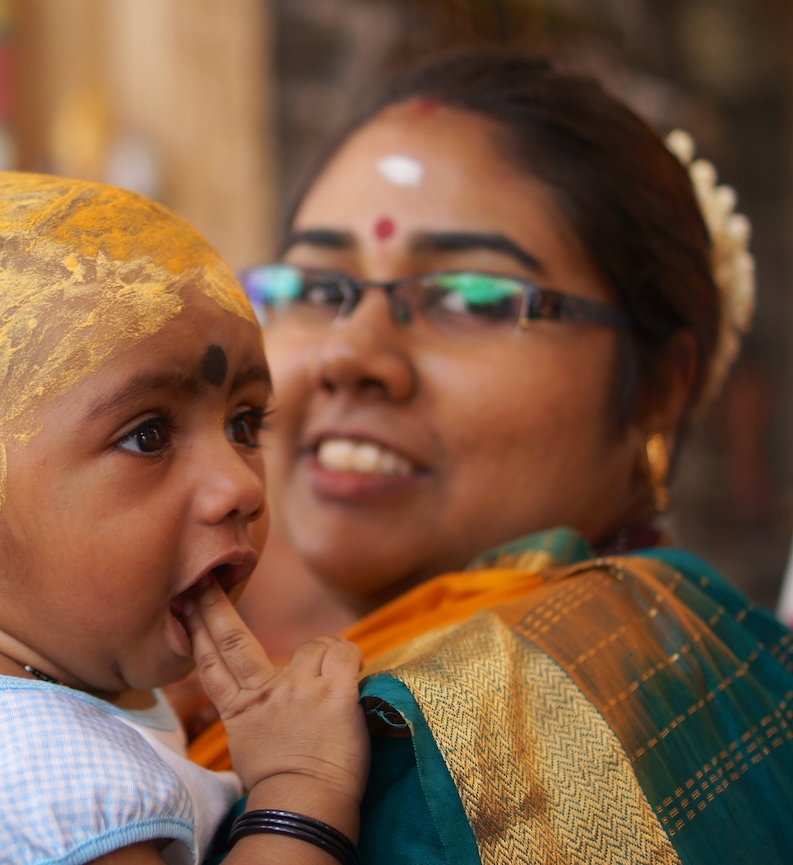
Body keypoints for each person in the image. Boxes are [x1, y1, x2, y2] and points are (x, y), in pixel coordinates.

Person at [189, 49, 793, 864]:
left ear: (657, 387)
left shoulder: (437, 763)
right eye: (316, 289)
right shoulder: (707, 662)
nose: (348, 353)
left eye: (468, 297)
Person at [0, 173, 368, 865]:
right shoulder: (29, 793)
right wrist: (299, 788)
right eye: (147, 436)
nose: (239, 485)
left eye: (244, 423)